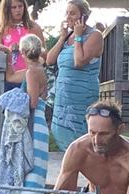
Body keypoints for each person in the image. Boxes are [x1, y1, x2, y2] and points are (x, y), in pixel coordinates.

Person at [0, 34, 49, 194]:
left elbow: (32, 102)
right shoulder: (37, 69)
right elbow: (10, 76)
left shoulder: (32, 72)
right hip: (38, 120)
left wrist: (14, 98)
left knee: (29, 160)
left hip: (34, 121)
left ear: (24, 52)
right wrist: (9, 56)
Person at [46, 0, 103, 151]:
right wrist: (62, 37)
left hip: (81, 97)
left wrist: (78, 37)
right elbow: (50, 60)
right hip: (64, 99)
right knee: (65, 141)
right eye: (67, 13)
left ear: (83, 17)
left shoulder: (95, 36)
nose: (68, 17)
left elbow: (79, 61)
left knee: (82, 141)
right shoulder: (67, 37)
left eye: (72, 13)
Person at [0, 0, 45, 91]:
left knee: (31, 104)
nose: (18, 10)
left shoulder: (34, 27)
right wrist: (8, 50)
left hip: (30, 76)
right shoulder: (2, 29)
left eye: (20, 6)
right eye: (14, 7)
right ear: (7, 10)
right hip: (9, 78)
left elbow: (44, 55)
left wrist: (30, 50)